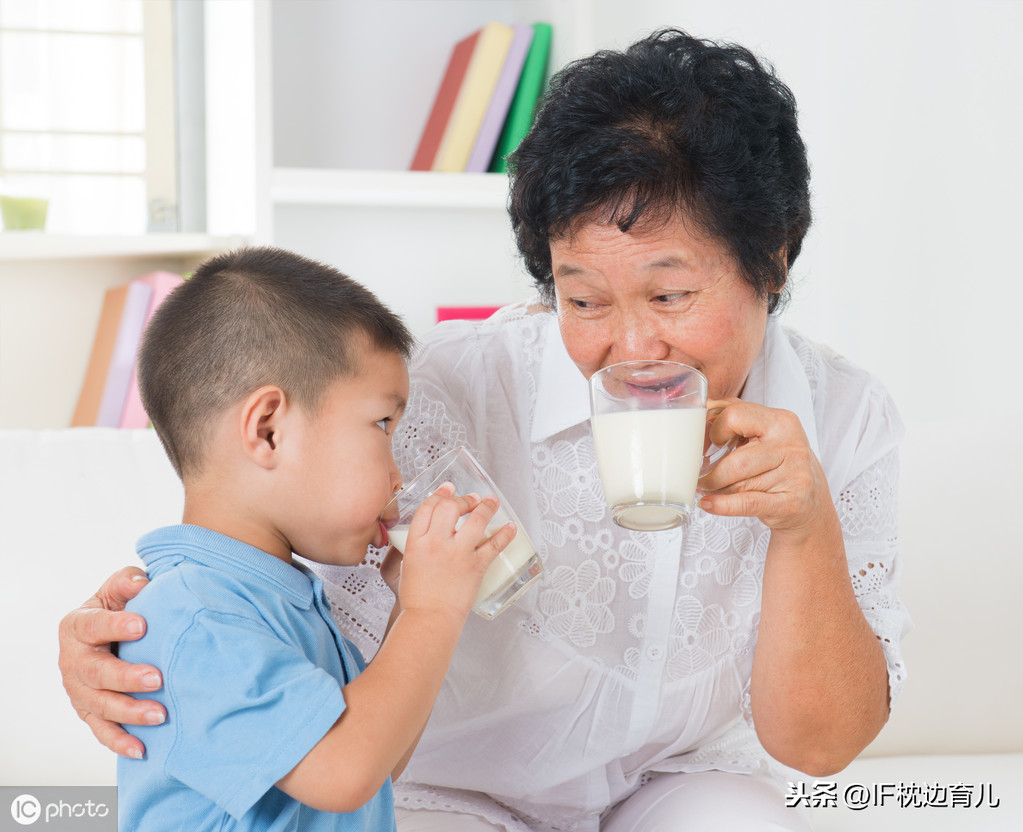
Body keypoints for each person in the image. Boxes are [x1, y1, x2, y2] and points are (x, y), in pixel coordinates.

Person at [58, 29, 910, 832]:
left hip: (673, 786)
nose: (632, 348)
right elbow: (241, 508)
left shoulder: (841, 413)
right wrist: (127, 639)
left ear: (774, 256)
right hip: (449, 791)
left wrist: (802, 526)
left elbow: (818, 746)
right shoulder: (440, 388)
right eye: (582, 301)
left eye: (669, 295)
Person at [109, 246, 516, 831]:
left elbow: (376, 764)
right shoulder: (195, 617)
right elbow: (343, 773)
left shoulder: (283, 598)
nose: (398, 474)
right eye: (381, 424)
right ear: (268, 430)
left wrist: (408, 606)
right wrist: (433, 608)